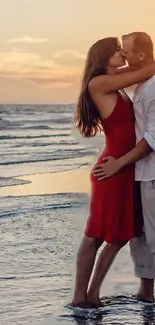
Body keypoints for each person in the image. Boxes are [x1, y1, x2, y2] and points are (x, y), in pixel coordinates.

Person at [70, 36, 155, 309]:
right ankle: (80, 297)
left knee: (117, 235)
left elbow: (143, 68)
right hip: (113, 168)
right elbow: (146, 69)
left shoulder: (116, 83)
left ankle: (90, 295)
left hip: (123, 166)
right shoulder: (100, 83)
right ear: (105, 56)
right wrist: (142, 59)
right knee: (95, 234)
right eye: (118, 50)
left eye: (124, 50)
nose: (122, 54)